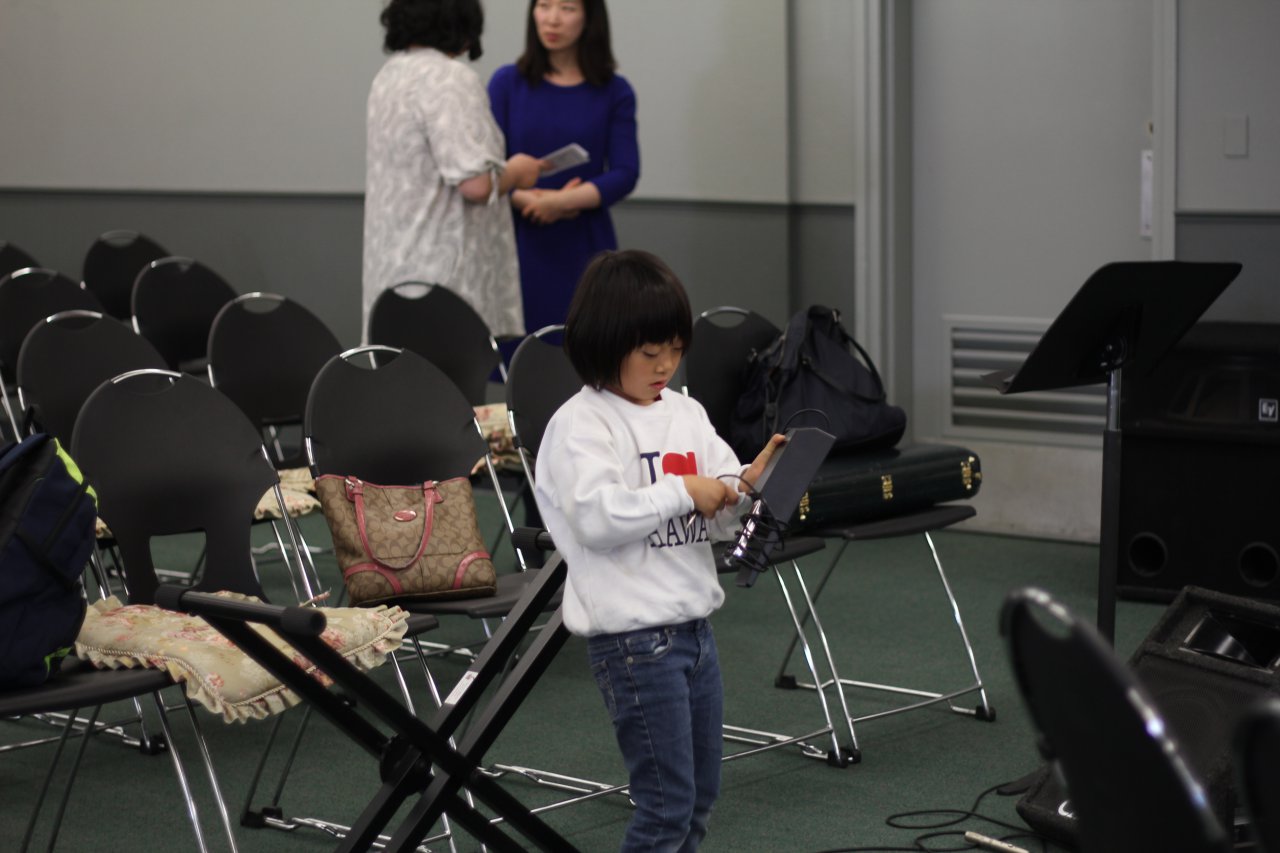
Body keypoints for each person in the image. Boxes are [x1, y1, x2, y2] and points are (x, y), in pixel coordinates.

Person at [534, 250, 784, 852]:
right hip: (634, 643)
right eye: (649, 352)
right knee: (666, 808)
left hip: (695, 631)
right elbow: (595, 518)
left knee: (698, 801)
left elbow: (721, 517)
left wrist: (748, 489)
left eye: (674, 349)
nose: (665, 364)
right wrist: (682, 491)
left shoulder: (687, 413)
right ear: (604, 344)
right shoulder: (581, 423)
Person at [363, 0, 545, 340]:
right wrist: (518, 172)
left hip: (393, 277)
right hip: (444, 283)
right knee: (448, 374)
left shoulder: (389, 76)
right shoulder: (449, 79)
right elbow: (476, 184)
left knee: (400, 371)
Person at [488, 0, 639, 336]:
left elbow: (625, 172)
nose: (552, 19)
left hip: (585, 242)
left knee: (586, 346)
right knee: (517, 350)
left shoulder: (614, 91)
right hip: (517, 240)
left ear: (589, 17)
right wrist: (528, 200)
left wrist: (561, 202)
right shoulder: (507, 83)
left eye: (567, 8)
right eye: (544, 5)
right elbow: (489, 171)